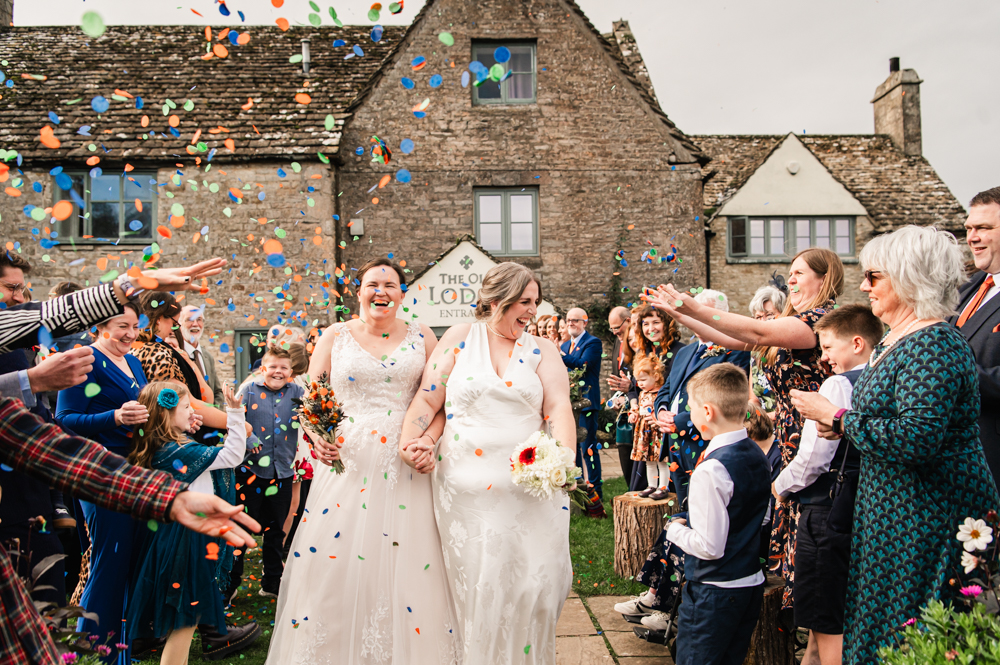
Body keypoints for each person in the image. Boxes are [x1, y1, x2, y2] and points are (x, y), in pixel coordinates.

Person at [792, 225, 1000, 664]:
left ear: (909, 278)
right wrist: (844, 426)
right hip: (895, 513)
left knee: (914, 632)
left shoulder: (935, 344)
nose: (864, 285)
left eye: (874, 276)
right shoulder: (898, 339)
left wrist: (839, 418)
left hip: (927, 518)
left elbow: (916, 439)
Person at [266, 258, 459, 664]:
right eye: (373, 284)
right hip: (347, 462)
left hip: (408, 459)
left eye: (390, 285)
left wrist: (427, 439)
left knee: (412, 553)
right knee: (338, 559)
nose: (381, 292)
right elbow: (312, 400)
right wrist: (318, 440)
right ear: (358, 292)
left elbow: (441, 400)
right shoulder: (334, 336)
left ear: (403, 294)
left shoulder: (423, 335)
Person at [647, 247, 844, 609]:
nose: (792, 280)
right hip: (788, 440)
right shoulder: (794, 320)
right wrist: (681, 313)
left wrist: (693, 306)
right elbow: (734, 339)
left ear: (824, 277)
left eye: (799, 273)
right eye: (792, 272)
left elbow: (754, 329)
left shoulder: (819, 321)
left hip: (817, 439)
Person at [399, 261, 574, 665]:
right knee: (480, 584)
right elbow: (428, 399)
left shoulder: (542, 350)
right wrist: (412, 442)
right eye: (524, 302)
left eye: (536, 302)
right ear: (496, 300)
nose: (533, 311)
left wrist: (563, 460)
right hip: (466, 492)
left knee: (536, 586)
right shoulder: (461, 338)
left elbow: (559, 407)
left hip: (530, 488)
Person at [775, 304, 882, 665]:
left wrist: (780, 485)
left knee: (825, 619)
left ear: (856, 343)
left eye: (828, 348)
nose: (824, 357)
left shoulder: (837, 385)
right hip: (862, 505)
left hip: (827, 509)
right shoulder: (883, 377)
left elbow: (814, 459)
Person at [126, 382, 260, 663]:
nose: (193, 412)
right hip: (188, 541)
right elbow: (232, 455)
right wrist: (234, 414)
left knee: (187, 615)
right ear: (166, 415)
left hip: (177, 536)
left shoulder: (170, 446)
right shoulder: (179, 450)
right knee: (187, 618)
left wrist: (185, 422)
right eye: (186, 407)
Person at [620, 400, 779, 633]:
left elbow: (763, 514)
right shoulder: (749, 453)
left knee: (677, 535)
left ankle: (666, 609)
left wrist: (678, 529)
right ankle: (654, 595)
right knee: (676, 527)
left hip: (744, 536)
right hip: (732, 521)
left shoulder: (762, 457)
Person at [55, 302, 150, 655]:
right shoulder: (84, 359)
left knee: (128, 559)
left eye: (135, 326)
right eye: (122, 325)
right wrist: (114, 417)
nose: (130, 333)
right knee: (109, 558)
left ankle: (118, 646)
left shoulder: (135, 362)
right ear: (100, 324)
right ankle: (93, 645)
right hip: (98, 473)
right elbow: (64, 418)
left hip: (135, 470)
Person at [666, 363, 770, 665]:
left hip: (714, 592)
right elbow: (761, 518)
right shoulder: (757, 454)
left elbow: (710, 547)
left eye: (692, 407)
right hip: (749, 583)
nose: (690, 414)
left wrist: (674, 529)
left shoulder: (711, 469)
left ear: (708, 412)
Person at [651, 290, 750, 507]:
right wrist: (661, 411)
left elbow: (726, 397)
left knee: (706, 504)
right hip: (674, 440)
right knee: (683, 501)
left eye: (706, 314)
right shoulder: (685, 352)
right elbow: (667, 389)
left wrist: (677, 422)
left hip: (705, 439)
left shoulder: (735, 350)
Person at [229, 345, 303, 600]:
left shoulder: (298, 393)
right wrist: (250, 441)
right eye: (273, 367)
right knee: (242, 529)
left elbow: (310, 420)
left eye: (284, 368)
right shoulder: (248, 390)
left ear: (291, 372)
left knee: (276, 531)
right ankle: (230, 583)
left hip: (282, 471)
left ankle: (272, 581)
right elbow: (234, 419)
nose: (278, 372)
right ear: (263, 369)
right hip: (249, 471)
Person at [950, 186, 1000, 482]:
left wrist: (952, 374)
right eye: (969, 228)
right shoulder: (966, 286)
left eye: (984, 228)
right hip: (953, 462)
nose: (972, 238)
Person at [561, 307, 604, 498]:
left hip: (587, 402)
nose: (571, 323)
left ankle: (596, 492)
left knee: (588, 448)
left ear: (585, 323)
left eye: (576, 320)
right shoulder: (564, 346)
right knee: (572, 449)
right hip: (568, 404)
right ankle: (577, 489)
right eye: (569, 320)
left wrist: (560, 356)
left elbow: (583, 365)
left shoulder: (593, 342)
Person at [629, 354, 668, 500]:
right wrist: (634, 414)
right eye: (638, 381)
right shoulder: (643, 394)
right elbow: (638, 409)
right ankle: (652, 485)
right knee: (648, 461)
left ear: (656, 376)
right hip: (644, 432)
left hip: (656, 432)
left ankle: (663, 487)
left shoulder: (661, 394)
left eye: (643, 380)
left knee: (661, 460)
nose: (640, 384)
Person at [748, 285, 788, 415]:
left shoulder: (789, 349)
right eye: (758, 317)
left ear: (784, 314)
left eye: (769, 314)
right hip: (763, 426)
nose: (763, 321)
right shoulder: (756, 351)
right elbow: (753, 399)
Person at [179, 305, 225, 408]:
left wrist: (215, 414)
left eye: (199, 319)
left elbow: (217, 391)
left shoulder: (207, 356)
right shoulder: (177, 354)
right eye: (190, 320)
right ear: (180, 324)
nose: (195, 324)